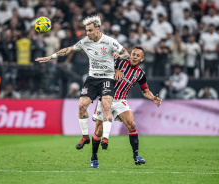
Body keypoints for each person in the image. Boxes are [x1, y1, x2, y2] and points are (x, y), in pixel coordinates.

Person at [35, 15, 130, 149]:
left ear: (98, 28)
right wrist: (51, 57)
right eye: (86, 31)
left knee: (106, 107)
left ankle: (106, 138)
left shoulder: (109, 41)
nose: (88, 33)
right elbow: (68, 50)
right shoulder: (85, 42)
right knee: (81, 106)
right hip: (92, 79)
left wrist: (120, 56)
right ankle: (85, 137)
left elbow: (127, 54)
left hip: (107, 78)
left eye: (90, 30)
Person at [90, 46, 162, 168]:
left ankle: (136, 156)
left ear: (142, 59)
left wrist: (153, 98)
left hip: (121, 100)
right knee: (99, 130)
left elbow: (145, 91)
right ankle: (94, 157)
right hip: (106, 97)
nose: (134, 57)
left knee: (132, 124)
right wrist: (115, 69)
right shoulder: (120, 61)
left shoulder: (140, 74)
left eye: (138, 55)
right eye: (133, 54)